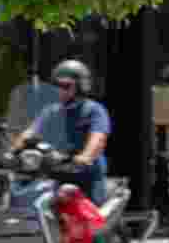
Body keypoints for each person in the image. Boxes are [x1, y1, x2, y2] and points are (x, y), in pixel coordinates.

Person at [13, 59, 112, 206]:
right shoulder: (51, 111)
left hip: (87, 176)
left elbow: (98, 138)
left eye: (66, 86)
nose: (60, 90)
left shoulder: (94, 110)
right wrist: (14, 151)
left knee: (88, 215)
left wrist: (85, 157)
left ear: (81, 87)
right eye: (56, 86)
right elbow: (30, 132)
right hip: (59, 173)